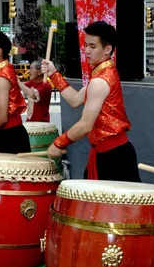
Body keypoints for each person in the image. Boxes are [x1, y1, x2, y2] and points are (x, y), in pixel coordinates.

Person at [42, 21, 141, 182]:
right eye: (86, 45)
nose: (87, 51)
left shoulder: (100, 80)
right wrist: (54, 74)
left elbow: (85, 125)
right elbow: (75, 100)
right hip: (108, 153)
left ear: (107, 49)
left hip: (113, 156)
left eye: (93, 47)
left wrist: (59, 143)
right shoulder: (103, 74)